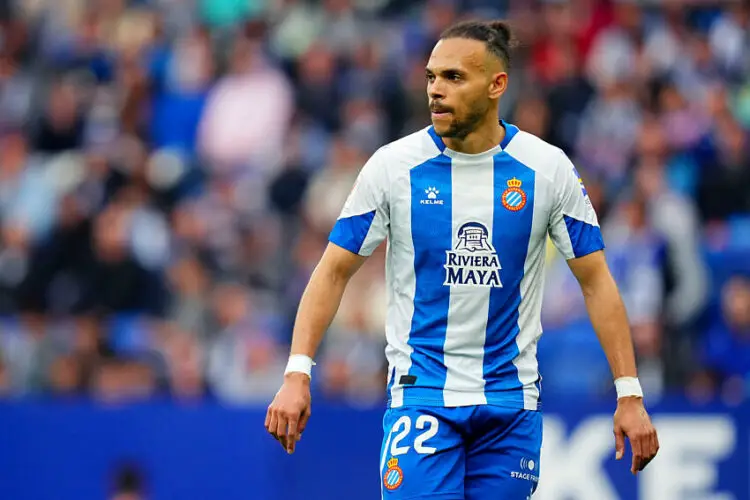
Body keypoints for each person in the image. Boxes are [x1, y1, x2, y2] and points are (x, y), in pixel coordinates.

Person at [265, 19, 659, 499]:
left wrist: (629, 392)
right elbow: (332, 271)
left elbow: (596, 280)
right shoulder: (393, 167)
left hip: (510, 405)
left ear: (497, 85)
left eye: (453, 77)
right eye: (431, 76)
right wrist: (297, 372)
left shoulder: (547, 169)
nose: (435, 90)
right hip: (422, 397)